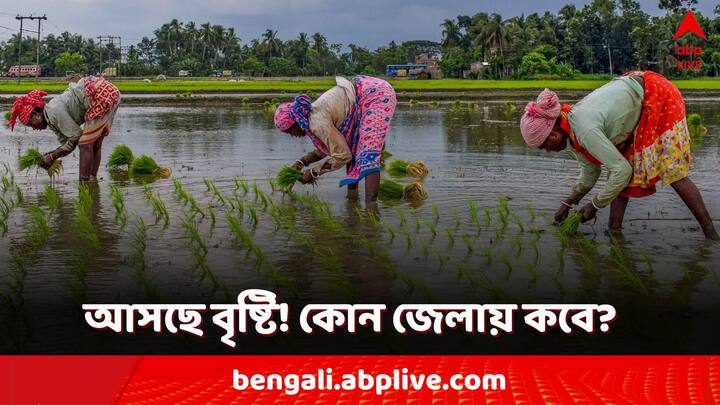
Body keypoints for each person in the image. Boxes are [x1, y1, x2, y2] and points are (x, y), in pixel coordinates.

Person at [520, 71, 719, 240]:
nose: (548, 150)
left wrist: (594, 205)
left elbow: (621, 172)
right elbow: (590, 172)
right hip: (634, 99)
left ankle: (711, 234)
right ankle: (614, 231)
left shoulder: (584, 129)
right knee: (620, 172)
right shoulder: (570, 130)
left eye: (545, 146)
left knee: (671, 170)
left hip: (656, 94)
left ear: (553, 133)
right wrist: (568, 202)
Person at [274, 75, 396, 204]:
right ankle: (353, 200)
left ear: (296, 122)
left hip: (375, 95)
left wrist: (314, 172)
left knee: (368, 153)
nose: (292, 135)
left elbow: (343, 156)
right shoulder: (311, 118)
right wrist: (302, 162)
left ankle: (371, 210)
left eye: (289, 131)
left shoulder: (317, 123)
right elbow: (330, 147)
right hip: (360, 93)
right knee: (352, 149)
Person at [9, 75, 121, 181]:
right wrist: (50, 155)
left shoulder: (53, 111)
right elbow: (69, 144)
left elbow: (76, 136)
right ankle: (92, 180)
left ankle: (84, 184)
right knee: (95, 143)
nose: (33, 128)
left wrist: (53, 156)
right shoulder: (51, 120)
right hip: (108, 93)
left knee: (85, 143)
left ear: (36, 115)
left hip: (100, 95)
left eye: (31, 124)